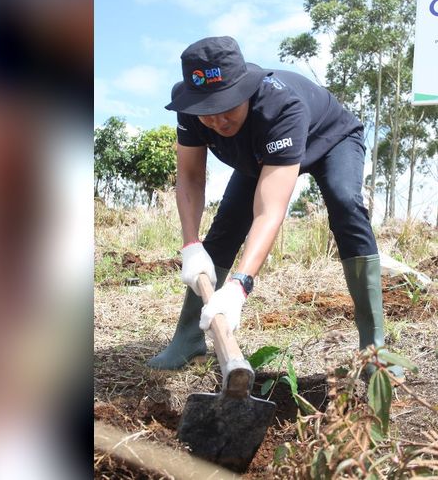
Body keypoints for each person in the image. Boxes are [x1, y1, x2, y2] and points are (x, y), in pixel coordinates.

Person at [148, 35, 398, 378]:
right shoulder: (191, 111)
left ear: (245, 90)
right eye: (208, 113)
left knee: (345, 204)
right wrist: (191, 245)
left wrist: (239, 285)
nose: (218, 122)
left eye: (226, 108)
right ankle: (189, 338)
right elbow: (190, 177)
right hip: (260, 154)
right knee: (224, 227)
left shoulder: (281, 107)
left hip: (330, 139)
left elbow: (269, 210)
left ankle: (374, 348)